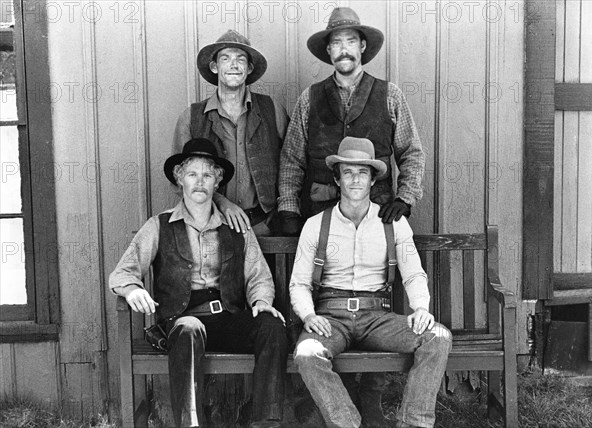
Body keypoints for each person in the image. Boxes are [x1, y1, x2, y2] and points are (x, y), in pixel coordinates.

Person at [278, 7, 426, 424]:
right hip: (319, 217)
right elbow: (291, 159)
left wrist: (406, 197)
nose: (343, 50)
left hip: (378, 215)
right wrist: (289, 209)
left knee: (377, 298)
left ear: (363, 47)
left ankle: (372, 402)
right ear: (328, 51)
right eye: (335, 43)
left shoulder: (389, 94)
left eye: (350, 41)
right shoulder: (310, 98)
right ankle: (315, 406)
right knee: (317, 306)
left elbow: (412, 152)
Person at [109, 138, 287, 428]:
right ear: (179, 179)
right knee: (189, 328)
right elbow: (123, 272)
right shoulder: (159, 225)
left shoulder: (236, 227)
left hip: (228, 318)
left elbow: (258, 276)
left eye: (207, 175)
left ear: (218, 182)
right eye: (192, 174)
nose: (199, 182)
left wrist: (261, 302)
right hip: (184, 322)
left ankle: (265, 422)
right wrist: (131, 289)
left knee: (272, 327)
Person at [289, 137, 451, 428]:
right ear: (337, 179)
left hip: (377, 317)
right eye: (348, 172)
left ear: (372, 179)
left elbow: (413, 273)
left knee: (437, 337)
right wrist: (309, 315)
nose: (355, 179)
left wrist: (421, 308)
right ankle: (347, 423)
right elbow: (299, 283)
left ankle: (413, 422)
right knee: (306, 353)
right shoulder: (315, 225)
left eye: (362, 172)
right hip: (331, 318)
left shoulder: (394, 223)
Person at [174, 30, 289, 237]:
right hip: (210, 226)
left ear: (249, 68)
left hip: (265, 227)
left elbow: (292, 166)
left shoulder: (273, 110)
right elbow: (180, 177)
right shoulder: (191, 117)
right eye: (225, 58)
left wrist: (275, 220)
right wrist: (221, 202)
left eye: (241, 59)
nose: (234, 65)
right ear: (214, 67)